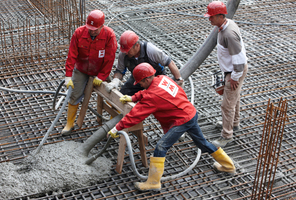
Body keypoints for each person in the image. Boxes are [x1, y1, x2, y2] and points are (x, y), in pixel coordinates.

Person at [107, 63, 236, 192]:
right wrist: (133, 97)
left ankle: (153, 183)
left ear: (146, 79)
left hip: (182, 120)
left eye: (140, 82)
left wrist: (116, 128)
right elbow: (149, 91)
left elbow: (136, 115)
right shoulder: (162, 79)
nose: (139, 85)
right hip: (190, 112)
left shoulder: (152, 96)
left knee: (161, 146)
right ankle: (228, 165)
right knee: (202, 143)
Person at [62, 10, 117, 135]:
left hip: (100, 70)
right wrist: (68, 76)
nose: (92, 31)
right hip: (81, 70)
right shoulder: (79, 33)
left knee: (112, 94)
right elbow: (71, 56)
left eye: (95, 30)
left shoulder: (109, 36)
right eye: (90, 29)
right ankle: (69, 123)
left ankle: (112, 122)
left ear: (102, 26)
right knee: (74, 94)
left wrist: (102, 76)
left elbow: (109, 59)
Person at [204, 1, 248, 148]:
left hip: (236, 70)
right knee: (234, 99)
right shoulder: (225, 25)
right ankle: (234, 124)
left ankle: (227, 135)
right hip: (232, 70)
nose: (209, 19)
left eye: (211, 17)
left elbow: (239, 59)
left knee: (227, 105)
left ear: (220, 16)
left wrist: (234, 77)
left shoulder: (229, 34)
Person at [105, 30, 183, 95]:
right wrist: (115, 81)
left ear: (137, 45)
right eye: (124, 51)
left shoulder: (150, 50)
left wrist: (178, 79)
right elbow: (120, 71)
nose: (126, 53)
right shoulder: (123, 54)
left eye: (128, 50)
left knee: (160, 99)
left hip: (156, 78)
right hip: (138, 78)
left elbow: (169, 62)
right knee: (123, 94)